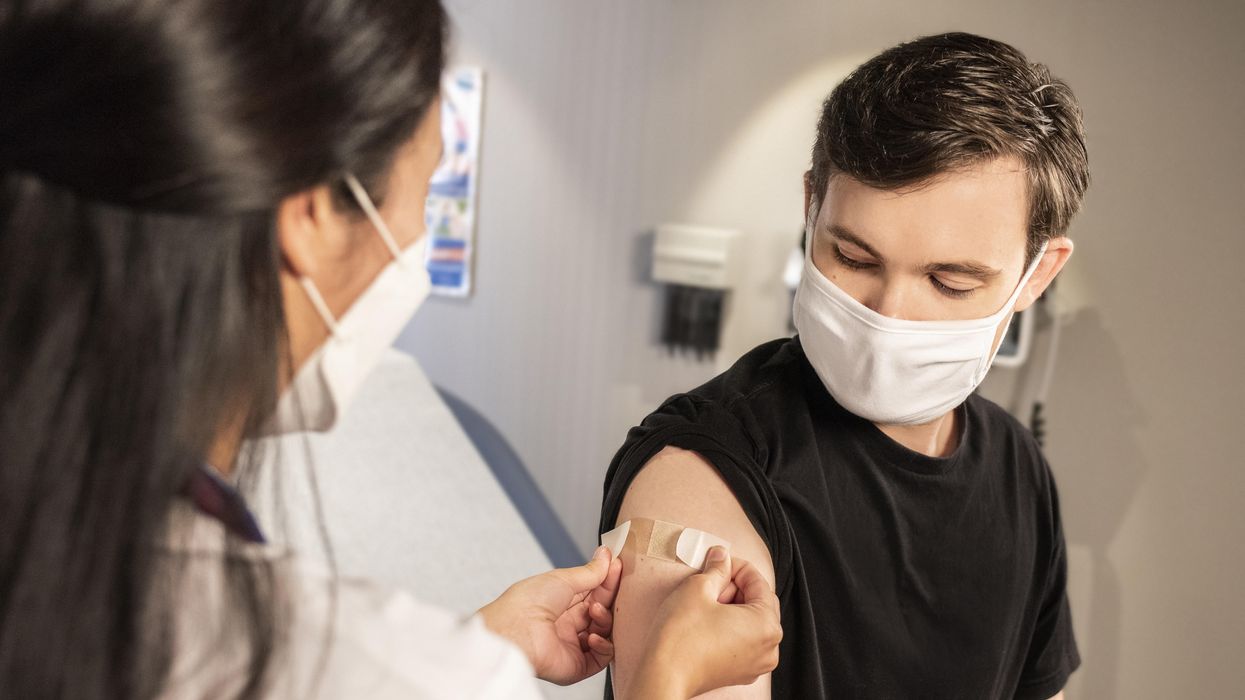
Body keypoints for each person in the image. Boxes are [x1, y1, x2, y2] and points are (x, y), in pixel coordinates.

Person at [0, 1, 781, 698]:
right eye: (430, 192)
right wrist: (660, 680)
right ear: (310, 215)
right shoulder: (364, 662)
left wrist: (479, 645)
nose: (416, 237)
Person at [600, 32, 1088, 699]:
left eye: (948, 281)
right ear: (812, 208)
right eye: (854, 258)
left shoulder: (1020, 471)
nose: (888, 315)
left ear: (1037, 275)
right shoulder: (703, 469)